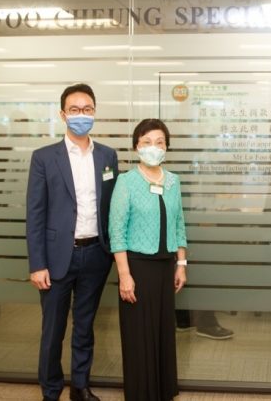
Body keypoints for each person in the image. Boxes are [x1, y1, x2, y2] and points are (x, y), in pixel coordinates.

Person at [26, 83, 119, 401]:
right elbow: (35, 214)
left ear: (95, 112)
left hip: (95, 254)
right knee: (53, 331)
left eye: (88, 109)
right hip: (55, 258)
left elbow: (111, 206)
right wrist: (37, 264)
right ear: (63, 114)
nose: (82, 114)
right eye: (75, 109)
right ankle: (51, 392)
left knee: (85, 325)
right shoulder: (44, 158)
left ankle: (80, 386)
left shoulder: (108, 156)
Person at [109, 118, 188, 401]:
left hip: (166, 266)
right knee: (139, 336)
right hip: (137, 268)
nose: (153, 147)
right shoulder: (126, 182)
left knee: (163, 332)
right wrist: (124, 275)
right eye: (146, 142)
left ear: (166, 147)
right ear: (136, 146)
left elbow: (179, 224)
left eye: (159, 143)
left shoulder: (174, 181)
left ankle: (163, 391)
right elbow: (116, 232)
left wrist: (181, 263)